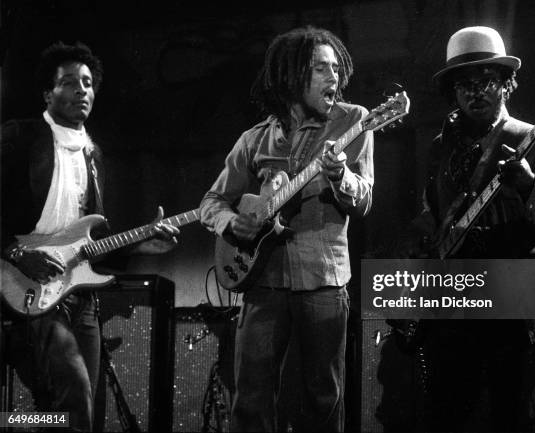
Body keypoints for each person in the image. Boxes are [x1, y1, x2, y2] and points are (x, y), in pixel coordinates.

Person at [200, 26, 373, 432]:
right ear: (291, 75)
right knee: (251, 400)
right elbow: (210, 203)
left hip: (324, 282)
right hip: (262, 283)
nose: (333, 77)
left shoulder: (354, 120)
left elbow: (364, 199)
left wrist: (341, 175)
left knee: (323, 400)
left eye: (336, 68)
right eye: (319, 69)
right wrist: (233, 223)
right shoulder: (254, 139)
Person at [0, 41, 179, 432]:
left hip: (79, 295)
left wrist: (144, 242)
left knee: (74, 410)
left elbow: (94, 244)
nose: (82, 89)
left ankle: (21, 426)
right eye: (69, 82)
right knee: (75, 393)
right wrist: (14, 253)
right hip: (27, 285)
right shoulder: (18, 138)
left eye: (87, 82)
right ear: (48, 94)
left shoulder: (92, 157)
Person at [409, 26, 535, 432]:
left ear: (506, 84)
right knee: (450, 411)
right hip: (457, 298)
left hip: (515, 305)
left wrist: (526, 183)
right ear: (453, 91)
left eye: (486, 81)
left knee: (515, 414)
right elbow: (429, 218)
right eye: (464, 84)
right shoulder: (439, 147)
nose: (475, 92)